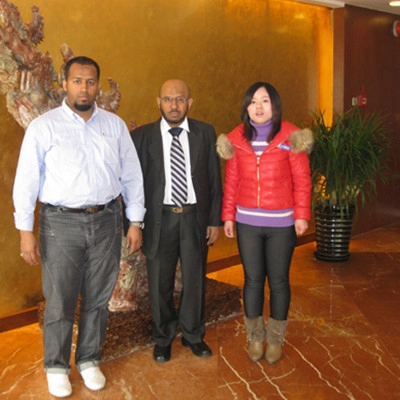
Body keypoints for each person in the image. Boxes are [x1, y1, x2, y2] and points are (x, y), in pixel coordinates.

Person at [12, 56, 145, 398]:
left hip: (107, 220)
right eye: (77, 81)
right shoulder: (44, 127)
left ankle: (88, 359)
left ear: (97, 85)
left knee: (99, 298)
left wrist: (135, 221)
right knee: (60, 299)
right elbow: (26, 180)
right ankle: (56, 366)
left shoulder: (114, 126)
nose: (84, 88)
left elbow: (131, 176)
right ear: (65, 84)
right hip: (60, 223)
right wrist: (25, 231)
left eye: (90, 82)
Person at [217, 81, 313, 365]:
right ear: (246, 107)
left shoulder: (291, 136)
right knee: (252, 280)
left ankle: (276, 339)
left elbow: (302, 180)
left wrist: (301, 215)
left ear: (275, 105)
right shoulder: (236, 139)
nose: (258, 107)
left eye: (265, 101)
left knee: (279, 280)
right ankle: (256, 337)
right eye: (253, 101)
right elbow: (231, 182)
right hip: (247, 222)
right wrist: (228, 216)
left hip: (281, 223)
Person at [131, 79, 222, 363]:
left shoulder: (205, 133)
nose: (174, 105)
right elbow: (133, 183)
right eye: (168, 99)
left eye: (180, 99)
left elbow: (214, 179)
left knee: (195, 280)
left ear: (189, 103)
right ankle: (163, 338)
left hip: (194, 218)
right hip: (160, 219)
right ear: (158, 102)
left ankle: (193, 335)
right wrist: (135, 223)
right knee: (160, 282)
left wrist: (214, 220)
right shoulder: (141, 137)